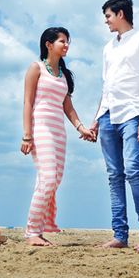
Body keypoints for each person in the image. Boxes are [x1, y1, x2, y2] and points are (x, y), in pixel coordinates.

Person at [88, 0, 139, 252]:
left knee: (132, 170)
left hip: (133, 114)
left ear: (120, 14)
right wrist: (96, 119)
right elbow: (106, 87)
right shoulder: (108, 48)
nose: (106, 21)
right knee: (114, 176)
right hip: (108, 116)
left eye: (107, 16)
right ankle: (120, 235)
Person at [20, 27, 94, 247]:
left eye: (68, 41)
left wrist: (81, 128)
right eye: (62, 41)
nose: (66, 45)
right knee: (49, 178)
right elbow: (27, 102)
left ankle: (40, 228)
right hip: (40, 129)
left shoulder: (64, 75)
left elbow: (68, 108)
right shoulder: (36, 68)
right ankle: (32, 231)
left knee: (51, 181)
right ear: (48, 44)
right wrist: (26, 136)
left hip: (59, 133)